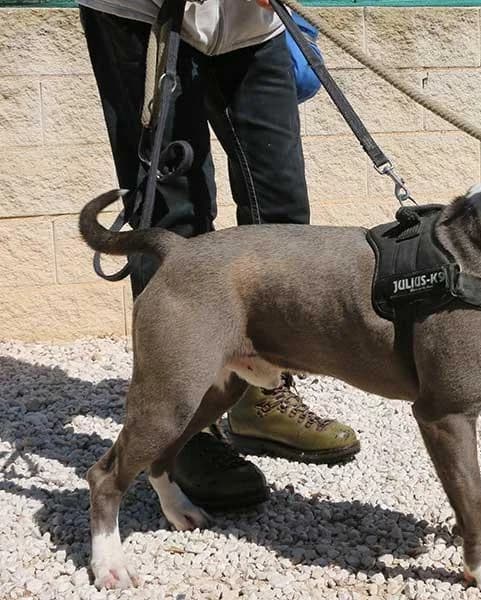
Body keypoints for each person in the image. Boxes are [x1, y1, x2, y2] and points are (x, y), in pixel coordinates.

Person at [77, 0, 361, 511]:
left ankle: (260, 396)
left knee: (282, 212)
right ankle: (178, 425)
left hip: (253, 24)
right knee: (172, 216)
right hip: (141, 14)